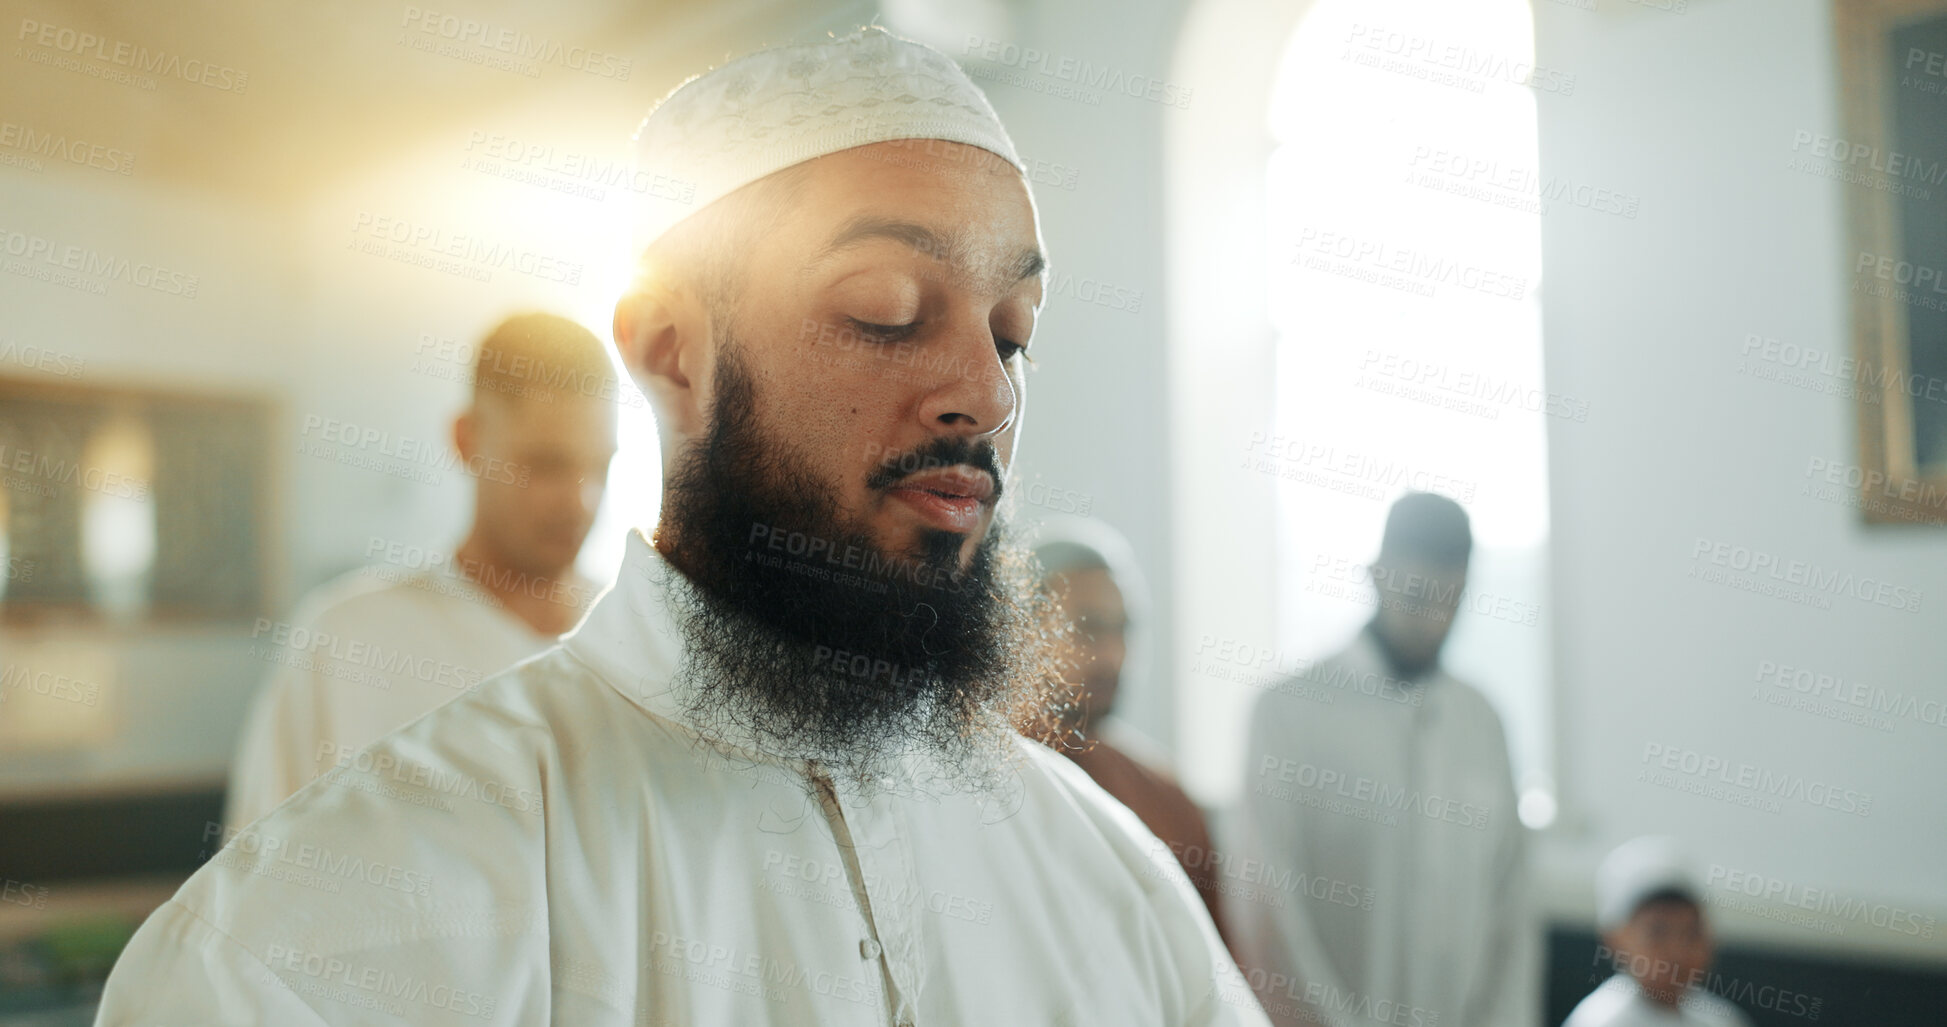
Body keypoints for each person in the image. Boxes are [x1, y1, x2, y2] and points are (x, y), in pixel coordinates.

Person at [97, 28, 1262, 1026]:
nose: (987, 391)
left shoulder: (1109, 883)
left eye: (1011, 331)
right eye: (887, 312)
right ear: (671, 352)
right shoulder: (322, 934)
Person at [222, 313, 618, 829]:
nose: (579, 501)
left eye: (601, 467)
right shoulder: (347, 642)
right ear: (467, 440)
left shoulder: (631, 645)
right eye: (546, 465)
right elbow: (256, 872)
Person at [1225, 491, 1538, 1027]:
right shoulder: (1290, 712)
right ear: (1376, 574)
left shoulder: (1482, 722)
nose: (1432, 616)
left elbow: (1512, 911)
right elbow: (1268, 907)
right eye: (1417, 593)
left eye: (1449, 595)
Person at [1031, 517, 1234, 953]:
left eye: (1123, 629)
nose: (1113, 655)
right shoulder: (971, 781)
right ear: (1022, 631)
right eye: (1087, 628)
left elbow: (1217, 976)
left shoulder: (1166, 799)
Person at [1565, 837, 1752, 1027]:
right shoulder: (1597, 1021)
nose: (1677, 950)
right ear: (1615, 939)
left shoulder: (1723, 1021)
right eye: (1658, 933)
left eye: (1691, 933)